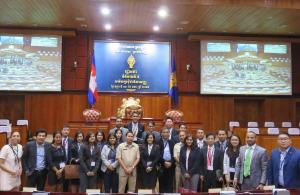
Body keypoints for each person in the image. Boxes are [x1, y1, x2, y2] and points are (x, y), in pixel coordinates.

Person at [158, 127, 175, 193]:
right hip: (162, 165)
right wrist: (164, 162)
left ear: (169, 134)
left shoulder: (172, 142)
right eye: (164, 132)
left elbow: (174, 154)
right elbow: (157, 154)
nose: (165, 134)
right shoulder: (158, 142)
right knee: (162, 183)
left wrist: (170, 162)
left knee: (170, 183)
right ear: (161, 134)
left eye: (167, 132)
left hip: (171, 166)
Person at [61, 125, 74, 192]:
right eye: (64, 130)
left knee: (66, 182)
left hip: (68, 163)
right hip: (59, 163)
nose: (66, 131)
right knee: (59, 182)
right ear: (62, 131)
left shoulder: (72, 140)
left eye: (67, 130)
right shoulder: (58, 138)